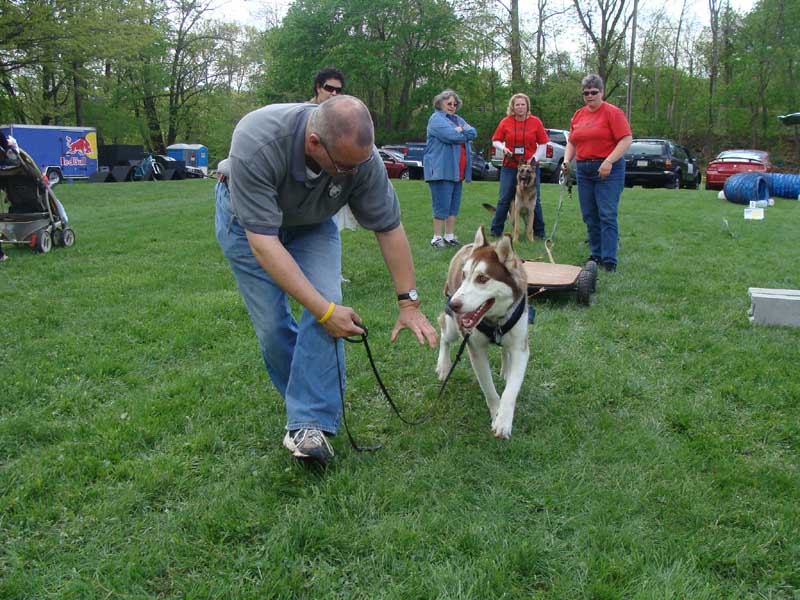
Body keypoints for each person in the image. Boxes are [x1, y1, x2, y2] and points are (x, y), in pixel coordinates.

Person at [215, 95, 438, 466]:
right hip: (248, 227)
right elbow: (265, 244)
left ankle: (309, 425)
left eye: (359, 165)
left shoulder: (361, 161)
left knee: (328, 298)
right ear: (315, 143)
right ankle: (306, 409)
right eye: (345, 167)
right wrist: (323, 311)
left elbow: (389, 227)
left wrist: (409, 303)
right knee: (274, 326)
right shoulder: (258, 139)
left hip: (313, 222)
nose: (354, 174)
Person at [562, 74, 632, 272]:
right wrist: (567, 160)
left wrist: (609, 161)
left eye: (594, 92)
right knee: (590, 215)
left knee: (607, 214)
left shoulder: (613, 113)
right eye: (586, 93)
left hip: (608, 169)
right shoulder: (578, 115)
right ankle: (596, 255)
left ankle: (609, 260)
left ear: (601, 92)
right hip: (584, 169)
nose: (590, 96)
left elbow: (626, 140)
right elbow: (573, 141)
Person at [490, 93, 549, 239]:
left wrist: (534, 159)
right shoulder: (505, 122)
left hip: (530, 167)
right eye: (517, 105)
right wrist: (504, 148)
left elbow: (543, 143)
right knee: (504, 197)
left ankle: (539, 232)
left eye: (523, 104)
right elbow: (495, 140)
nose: (520, 107)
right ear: (513, 107)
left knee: (535, 199)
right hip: (510, 165)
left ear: (527, 106)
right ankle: (496, 231)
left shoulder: (535, 122)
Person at [423, 90, 476, 248]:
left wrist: (462, 131)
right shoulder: (436, 119)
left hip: (457, 171)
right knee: (441, 204)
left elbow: (473, 132)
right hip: (441, 170)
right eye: (449, 104)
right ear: (440, 104)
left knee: (453, 205)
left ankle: (449, 235)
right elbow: (451, 137)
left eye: (455, 104)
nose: (452, 106)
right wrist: (461, 132)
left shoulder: (457, 119)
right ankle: (437, 237)